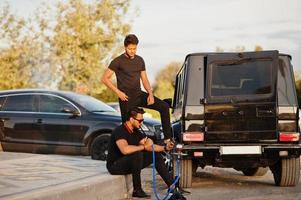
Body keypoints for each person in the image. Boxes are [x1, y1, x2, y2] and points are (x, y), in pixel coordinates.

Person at [101, 34, 173, 144]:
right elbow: (105, 78)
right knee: (128, 129)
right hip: (126, 98)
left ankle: (168, 139)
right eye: (130, 49)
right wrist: (118, 92)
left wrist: (150, 93)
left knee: (164, 106)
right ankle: (128, 150)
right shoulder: (117, 61)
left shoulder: (140, 60)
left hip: (139, 95)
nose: (132, 51)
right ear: (125, 47)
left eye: (134, 48)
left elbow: (144, 79)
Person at [106, 107, 176, 198]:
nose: (141, 122)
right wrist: (142, 146)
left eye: (142, 120)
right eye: (140, 120)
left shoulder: (136, 131)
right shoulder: (120, 131)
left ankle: (172, 186)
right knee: (137, 154)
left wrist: (165, 148)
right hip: (115, 165)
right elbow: (125, 150)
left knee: (155, 155)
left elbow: (150, 146)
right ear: (131, 119)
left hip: (130, 162)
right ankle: (137, 190)